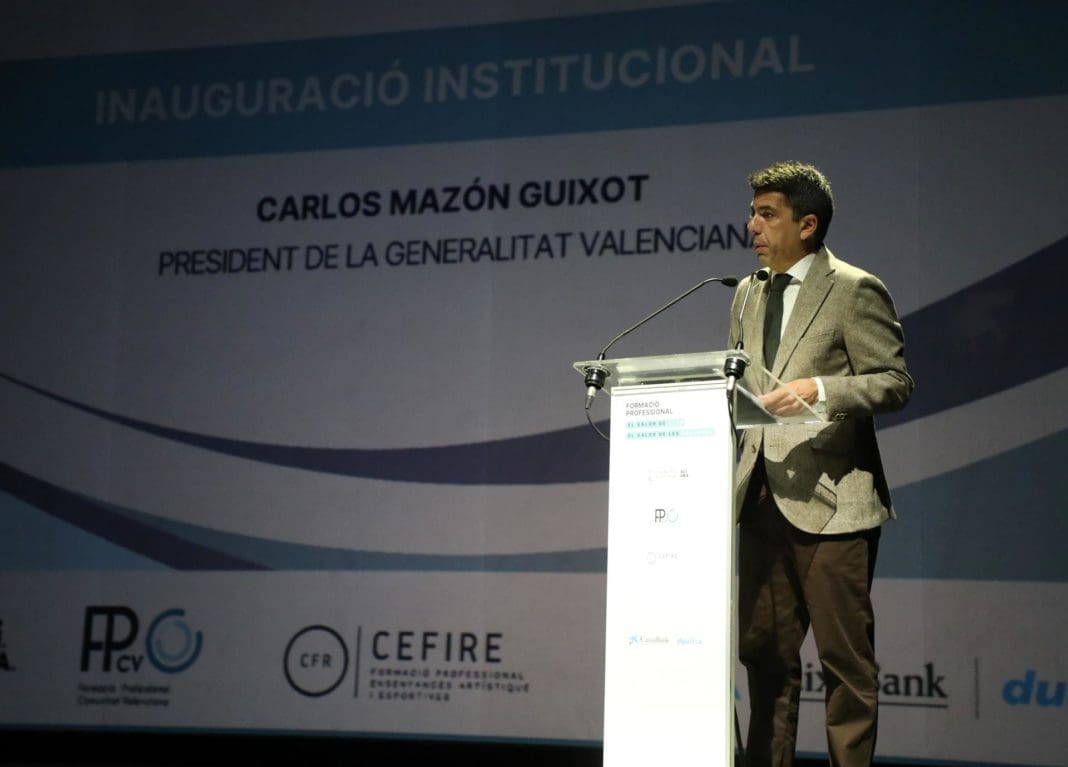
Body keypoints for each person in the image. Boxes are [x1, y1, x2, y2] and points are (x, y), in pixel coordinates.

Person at [727, 161, 913, 767]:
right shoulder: (748, 292)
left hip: (833, 504)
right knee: (764, 660)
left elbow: (893, 383)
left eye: (767, 214)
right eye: (753, 212)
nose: (752, 225)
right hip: (760, 501)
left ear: (807, 225)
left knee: (845, 666)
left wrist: (823, 390)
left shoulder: (854, 288)